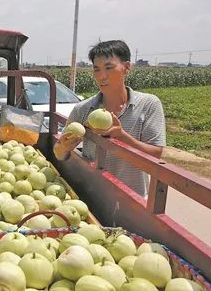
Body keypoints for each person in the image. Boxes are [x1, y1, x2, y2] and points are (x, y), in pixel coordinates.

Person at [53, 40, 166, 197]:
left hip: (133, 199)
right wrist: (65, 146)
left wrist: (122, 137)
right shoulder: (83, 109)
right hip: (93, 197)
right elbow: (58, 153)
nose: (102, 76)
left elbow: (155, 154)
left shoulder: (148, 105)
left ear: (126, 68)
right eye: (96, 69)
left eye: (108, 68)